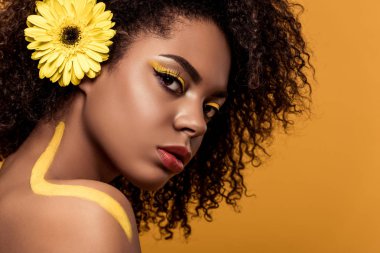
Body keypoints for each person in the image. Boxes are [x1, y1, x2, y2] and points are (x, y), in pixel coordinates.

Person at [0, 0, 312, 252]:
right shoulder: (88, 215)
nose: (197, 124)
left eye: (210, 109)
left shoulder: (10, 188)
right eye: (170, 80)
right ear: (86, 59)